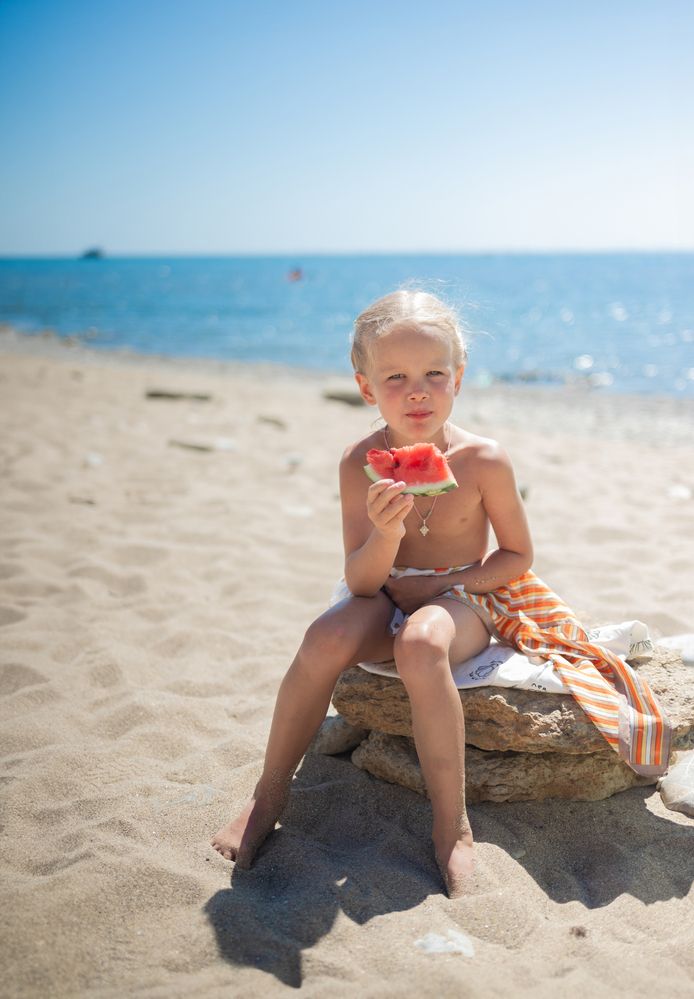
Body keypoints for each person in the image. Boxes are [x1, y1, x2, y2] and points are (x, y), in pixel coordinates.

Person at [211, 289, 670, 897]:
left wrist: (443, 584)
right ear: (366, 388)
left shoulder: (485, 459)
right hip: (383, 591)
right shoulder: (358, 462)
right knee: (322, 637)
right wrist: (386, 533)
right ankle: (268, 793)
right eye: (395, 378)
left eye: (434, 373)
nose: (418, 392)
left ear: (460, 376)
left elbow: (516, 556)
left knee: (422, 642)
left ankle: (452, 826)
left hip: (463, 598)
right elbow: (361, 582)